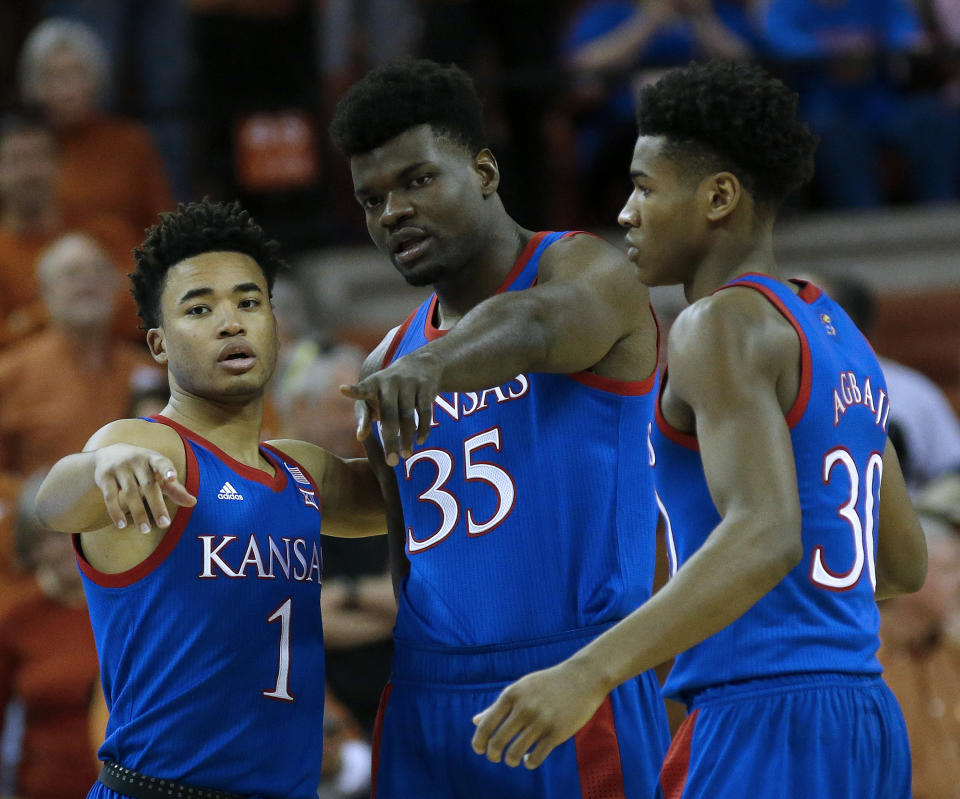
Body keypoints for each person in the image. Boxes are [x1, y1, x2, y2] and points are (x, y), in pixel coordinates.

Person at [471, 60, 928, 798]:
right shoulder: (836, 329)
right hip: (865, 715)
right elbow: (901, 562)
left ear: (718, 197)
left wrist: (588, 671)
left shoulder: (714, 324)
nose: (624, 211)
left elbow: (766, 533)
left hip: (763, 718)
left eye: (645, 186)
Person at [329, 58, 668, 797]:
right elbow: (402, 542)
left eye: (417, 179)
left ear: (483, 170)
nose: (392, 211)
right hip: (427, 692)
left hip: (569, 681)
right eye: (371, 197)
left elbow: (539, 325)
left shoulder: (583, 271)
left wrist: (439, 364)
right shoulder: (389, 356)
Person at [33, 199, 387, 798]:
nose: (232, 322)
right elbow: (55, 499)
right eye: (200, 309)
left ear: (275, 323)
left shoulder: (302, 470)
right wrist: (104, 462)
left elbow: (424, 497)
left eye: (250, 302)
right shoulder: (153, 449)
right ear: (158, 345)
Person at [0, 232, 161, 481]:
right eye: (71, 274)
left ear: (117, 286)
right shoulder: (10, 374)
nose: (87, 282)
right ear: (44, 292)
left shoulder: (147, 371)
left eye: (98, 271)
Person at [18, 17, 175, 234]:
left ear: (97, 79)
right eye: (53, 76)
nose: (66, 91)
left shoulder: (130, 141)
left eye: (76, 74)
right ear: (35, 86)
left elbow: (162, 219)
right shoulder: (24, 150)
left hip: (127, 260)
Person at [0, 111, 142, 346]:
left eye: (38, 158)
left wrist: (31, 317)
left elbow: (142, 309)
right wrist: (78, 305)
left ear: (59, 165)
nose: (29, 173)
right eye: (15, 161)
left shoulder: (107, 233)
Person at [0, 469, 100, 799]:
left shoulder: (120, 610)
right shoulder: (16, 618)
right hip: (39, 787)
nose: (59, 550)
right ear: (29, 548)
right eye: (44, 539)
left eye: (67, 534)